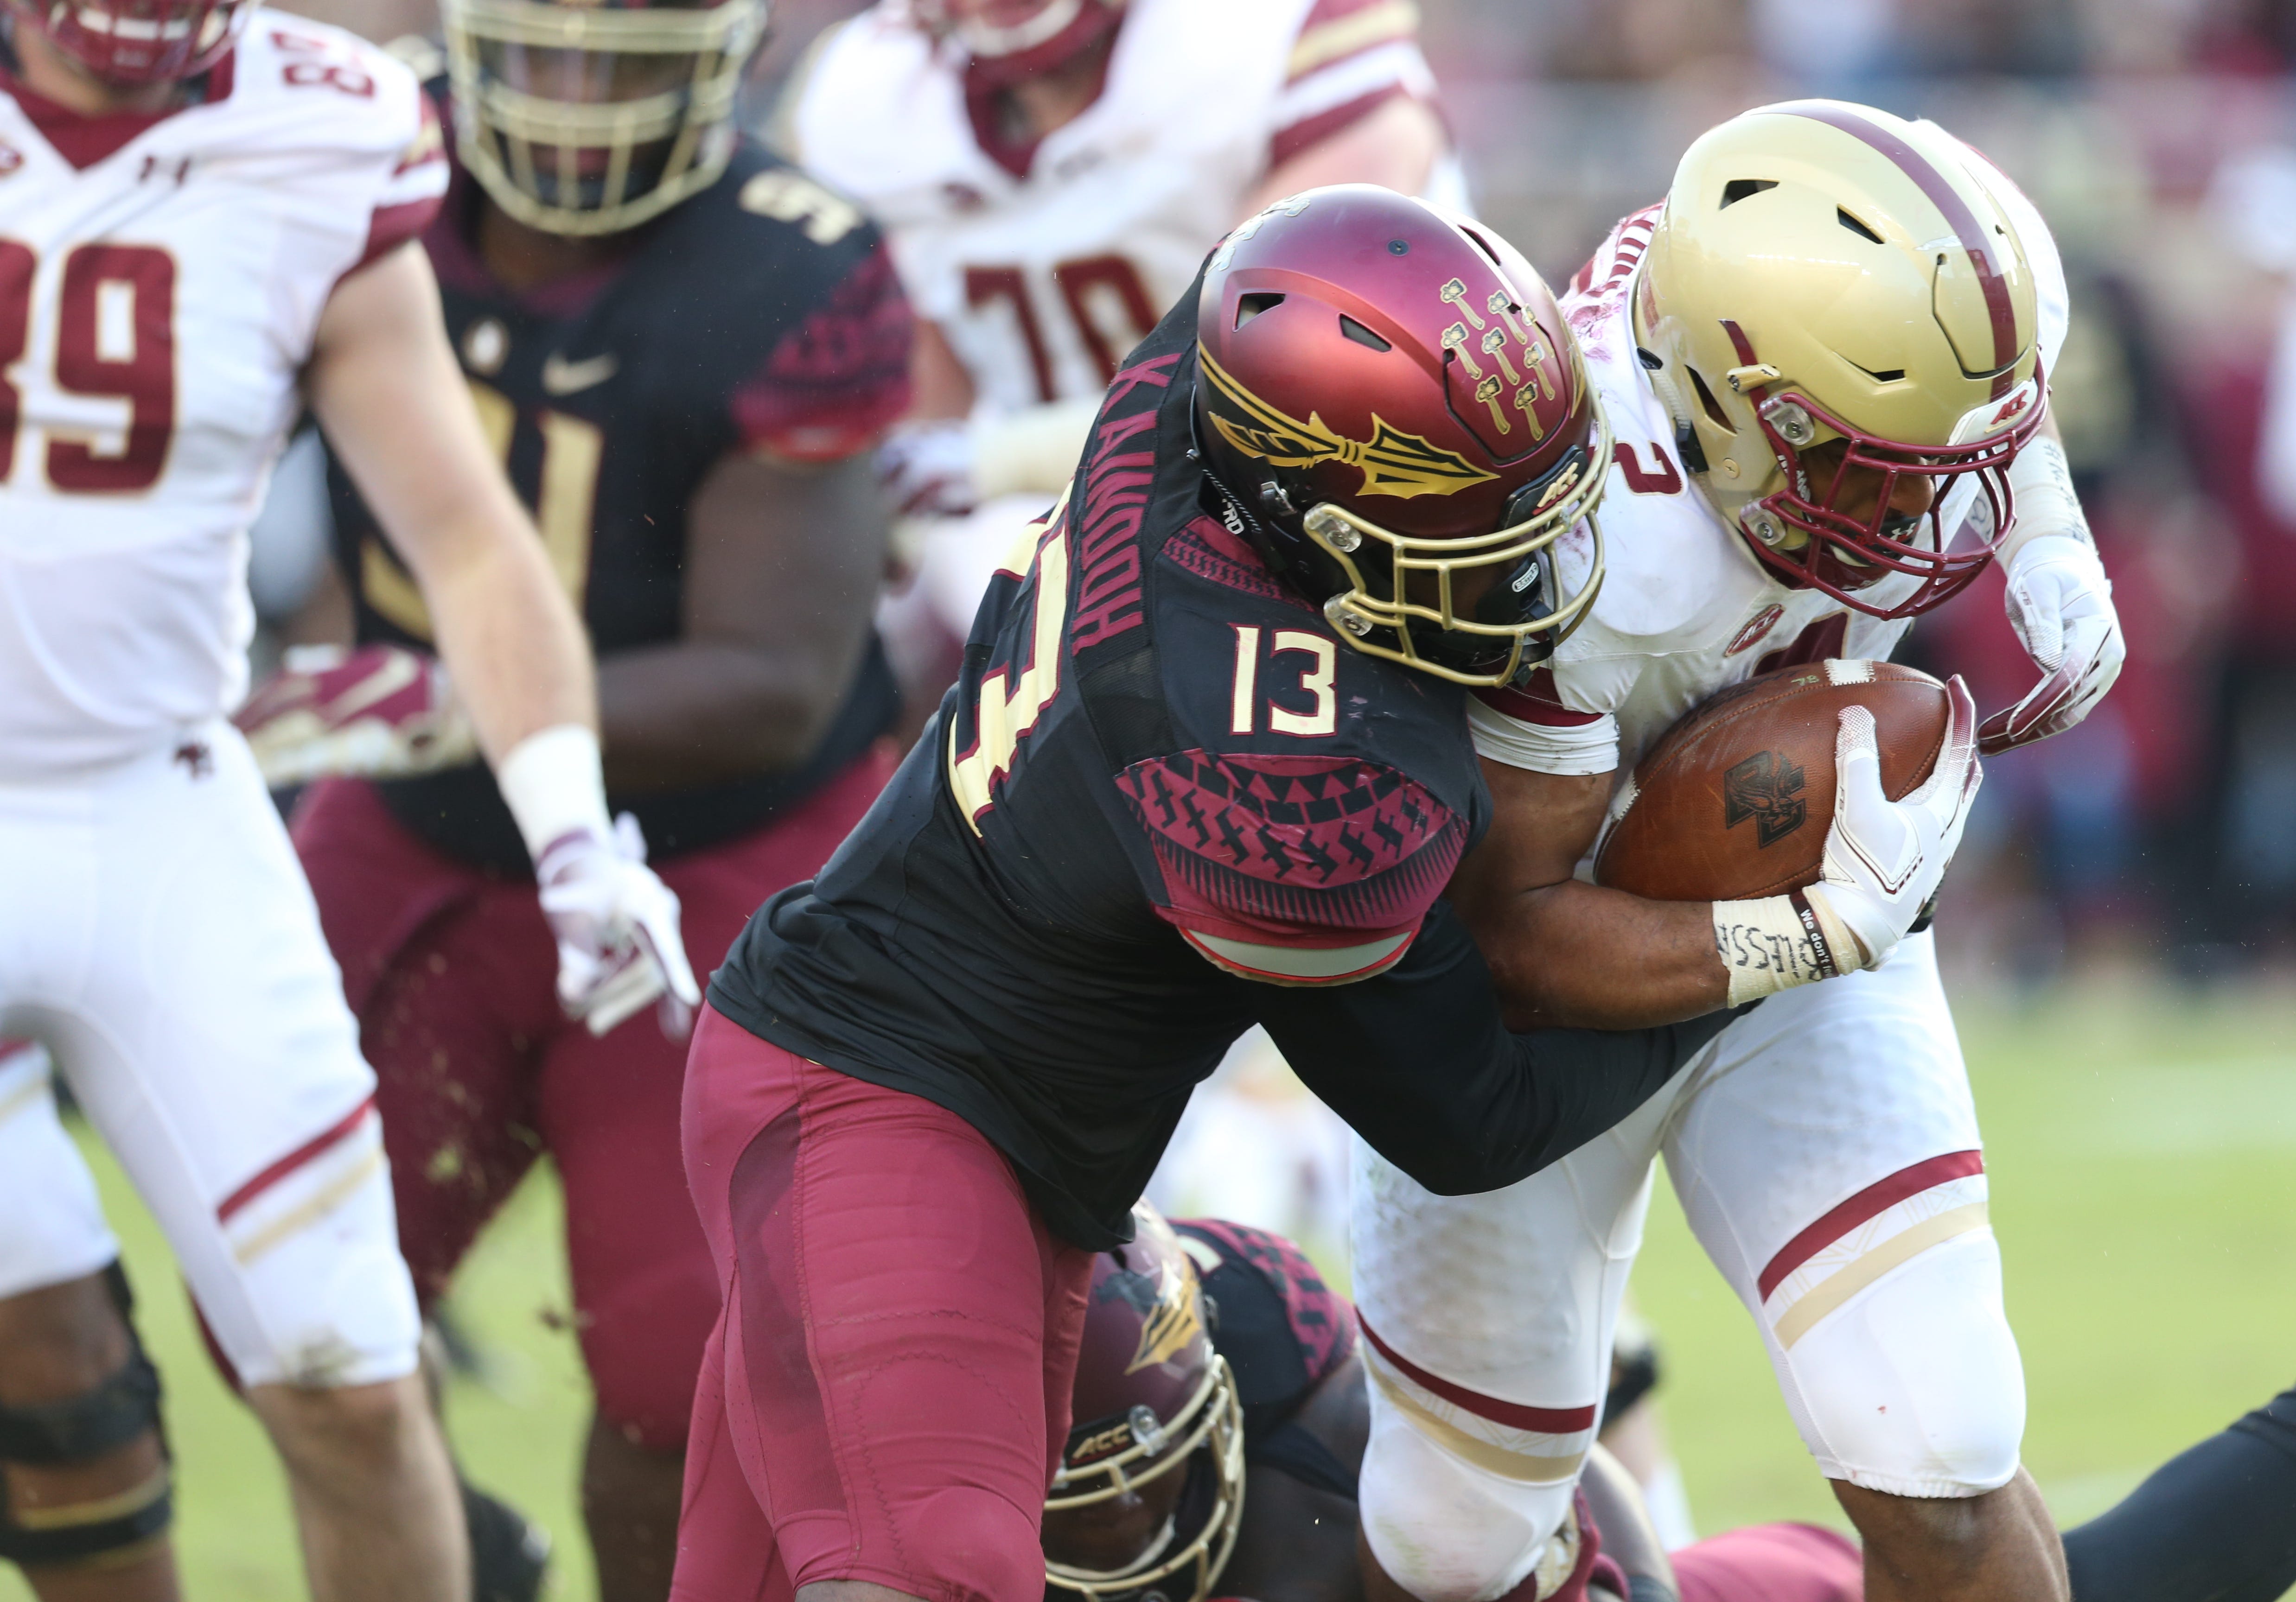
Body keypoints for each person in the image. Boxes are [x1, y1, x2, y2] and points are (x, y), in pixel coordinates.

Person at [671, 184, 1981, 1602]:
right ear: (1320, 526)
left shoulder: (1227, 378)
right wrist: (1793, 938)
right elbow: (1473, 1117)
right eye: (1479, 525)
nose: (1544, 555)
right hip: (882, 1101)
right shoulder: (1279, 779)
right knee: (925, 1578)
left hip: (972, 1120)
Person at [1347, 99, 2127, 1602]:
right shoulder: (1570, 525)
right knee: (1453, 1543)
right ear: (1720, 403)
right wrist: (1811, 930)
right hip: (1523, 1012)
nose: (1923, 513)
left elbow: (1985, 406)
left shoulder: (1807, 314)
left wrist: (2048, 541)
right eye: (1865, 472)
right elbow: (1516, 930)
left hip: (1798, 932)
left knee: (1941, 1439)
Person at [0, 0, 693, 1591]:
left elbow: (461, 527)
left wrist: (572, 829)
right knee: (43, 1370)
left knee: (353, 1382)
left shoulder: (323, 123)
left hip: (148, 812)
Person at [229, 0, 915, 1591]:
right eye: (538, 50)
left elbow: (773, 677)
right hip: (416, 837)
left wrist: (443, 703)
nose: (572, 101)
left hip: (725, 849)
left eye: (617, 59)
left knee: (687, 1371)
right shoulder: (350, 153)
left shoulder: (790, 261)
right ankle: (460, 1549)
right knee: (264, 1279)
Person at [1045, 1208, 2296, 1602]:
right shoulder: (936, 1451)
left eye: (1127, 1480)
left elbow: (1548, 1475)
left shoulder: (1311, 1428)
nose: (1104, 1539)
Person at [782, 0, 1463, 710]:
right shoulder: (872, 96)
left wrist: (990, 461)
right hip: (1073, 547)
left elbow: (1275, 379)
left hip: (1352, 514)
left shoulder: (1269, 32)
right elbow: (923, 412)